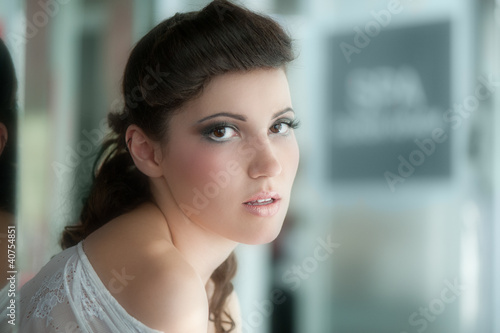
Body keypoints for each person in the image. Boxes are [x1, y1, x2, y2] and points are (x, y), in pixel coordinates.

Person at [18, 0, 300, 332]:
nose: (269, 165)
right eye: (222, 131)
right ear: (148, 152)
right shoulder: (169, 290)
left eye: (279, 126)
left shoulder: (212, 291)